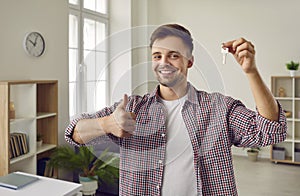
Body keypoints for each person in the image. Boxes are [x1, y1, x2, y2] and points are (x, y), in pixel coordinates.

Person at [65, 24, 287, 196]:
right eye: (157, 56)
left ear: (189, 61)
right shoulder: (131, 107)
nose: (164, 62)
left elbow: (271, 130)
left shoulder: (219, 108)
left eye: (174, 55)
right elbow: (74, 132)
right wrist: (107, 124)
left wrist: (251, 72)